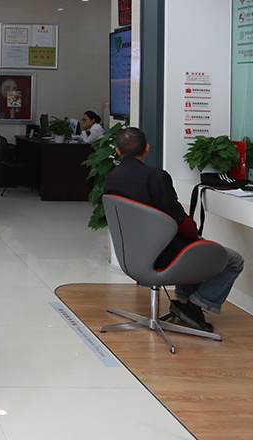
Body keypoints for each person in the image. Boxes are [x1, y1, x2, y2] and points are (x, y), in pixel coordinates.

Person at [103, 127, 244, 333]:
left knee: (193, 246)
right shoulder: (156, 177)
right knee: (233, 260)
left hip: (130, 255)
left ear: (117, 151)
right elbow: (180, 221)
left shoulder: (111, 178)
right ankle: (195, 305)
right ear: (147, 148)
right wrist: (196, 236)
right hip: (162, 256)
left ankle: (181, 302)